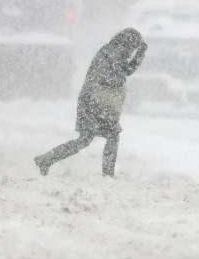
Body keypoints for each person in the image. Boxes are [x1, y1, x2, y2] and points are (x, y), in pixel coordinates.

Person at [34, 28, 147, 177]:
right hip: (93, 102)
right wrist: (119, 83)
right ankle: (107, 174)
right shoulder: (110, 54)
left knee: (90, 139)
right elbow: (117, 75)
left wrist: (140, 55)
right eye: (133, 48)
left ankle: (46, 159)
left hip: (97, 102)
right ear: (127, 43)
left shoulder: (113, 52)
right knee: (101, 136)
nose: (132, 51)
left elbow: (126, 71)